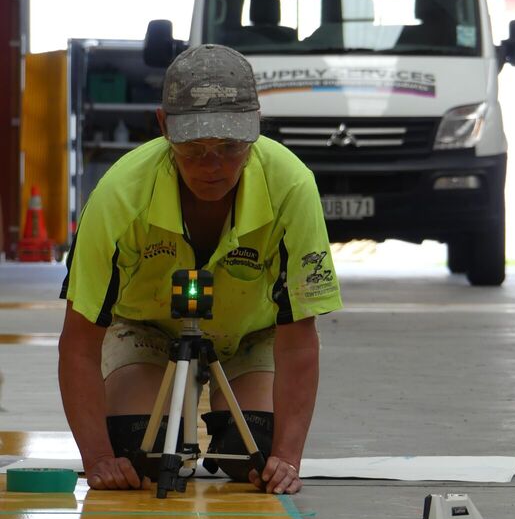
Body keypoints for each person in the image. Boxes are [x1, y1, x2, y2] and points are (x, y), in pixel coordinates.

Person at [58, 43, 342, 494]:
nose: (212, 166)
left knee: (255, 456)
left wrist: (289, 459)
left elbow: (298, 340)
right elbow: (78, 342)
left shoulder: (291, 186)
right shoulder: (118, 196)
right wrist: (97, 459)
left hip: (252, 335)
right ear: (163, 126)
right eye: (194, 148)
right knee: (139, 454)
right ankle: (162, 401)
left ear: (256, 128)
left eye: (230, 147)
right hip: (147, 332)